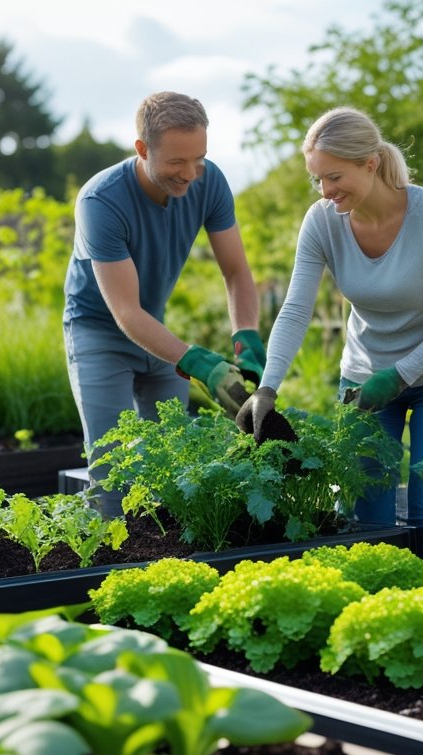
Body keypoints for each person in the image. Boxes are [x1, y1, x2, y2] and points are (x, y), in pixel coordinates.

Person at [236, 106, 423, 540]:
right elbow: (295, 309)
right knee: (367, 519)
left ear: (370, 164)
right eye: (318, 178)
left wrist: (401, 375)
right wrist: (267, 388)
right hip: (363, 388)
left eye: (334, 177)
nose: (326, 190)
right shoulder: (322, 221)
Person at [63, 91, 265, 516]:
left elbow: (237, 272)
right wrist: (198, 363)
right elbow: (125, 312)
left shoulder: (209, 182)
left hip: (154, 328)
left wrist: (246, 335)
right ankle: (114, 571)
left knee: (179, 467)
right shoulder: (101, 201)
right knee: (113, 474)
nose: (190, 173)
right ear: (142, 149)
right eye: (177, 162)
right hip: (99, 334)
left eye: (199, 158)